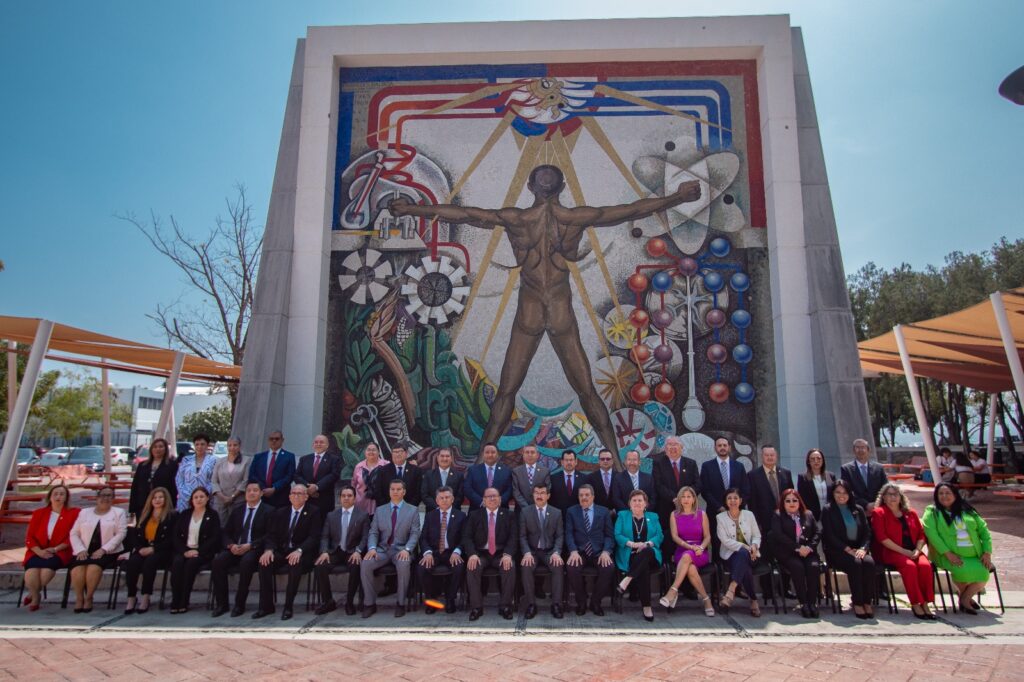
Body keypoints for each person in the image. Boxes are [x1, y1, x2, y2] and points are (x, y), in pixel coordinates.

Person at [391, 167, 702, 460]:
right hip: (559, 310)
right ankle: (617, 466)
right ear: (563, 187)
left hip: (529, 311)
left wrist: (410, 210)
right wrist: (677, 197)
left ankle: (481, 466)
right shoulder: (576, 217)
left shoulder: (515, 218)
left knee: (506, 392)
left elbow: (465, 214)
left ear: (529, 187)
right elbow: (632, 210)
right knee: (586, 390)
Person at [922, 483, 994, 615]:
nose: (944, 496)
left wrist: (987, 552)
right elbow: (932, 535)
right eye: (941, 494)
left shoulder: (967, 510)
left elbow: (984, 531)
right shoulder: (931, 512)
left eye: (948, 493)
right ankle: (966, 601)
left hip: (974, 554)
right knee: (962, 571)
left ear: (955, 495)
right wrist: (948, 554)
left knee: (984, 573)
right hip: (946, 554)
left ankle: (964, 597)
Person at [255, 484, 321, 620]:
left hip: (302, 553)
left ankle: (288, 606)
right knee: (264, 563)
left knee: (295, 564)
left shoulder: (314, 512)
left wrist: (300, 550)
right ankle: (266, 606)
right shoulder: (280, 512)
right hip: (282, 551)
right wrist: (269, 550)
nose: (296, 496)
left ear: (306, 497)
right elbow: (271, 535)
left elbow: (314, 537)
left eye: (300, 493)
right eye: (293, 493)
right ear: (289, 496)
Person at [870, 483, 935, 620]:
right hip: (892, 551)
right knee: (910, 567)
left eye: (895, 494)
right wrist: (904, 552)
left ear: (901, 497)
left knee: (925, 566)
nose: (893, 497)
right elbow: (882, 538)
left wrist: (917, 550)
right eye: (889, 494)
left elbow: (922, 534)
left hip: (914, 551)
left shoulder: (911, 513)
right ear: (883, 498)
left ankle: (926, 603)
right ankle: (916, 603)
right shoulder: (879, 513)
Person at [210, 481, 274, 617]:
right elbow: (226, 532)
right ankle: (222, 604)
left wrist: (250, 545)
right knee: (218, 562)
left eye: (255, 490)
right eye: (249, 490)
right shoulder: (238, 510)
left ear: (261, 493)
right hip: (235, 547)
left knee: (247, 562)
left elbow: (270, 535)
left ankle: (239, 604)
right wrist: (231, 545)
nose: (251, 493)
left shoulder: (269, 511)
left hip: (254, 548)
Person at [360, 479, 421, 618]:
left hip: (401, 550)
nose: (395, 492)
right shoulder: (380, 510)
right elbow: (373, 532)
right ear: (389, 491)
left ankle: (400, 603)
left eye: (399, 489)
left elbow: (415, 533)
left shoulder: (412, 510)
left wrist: (407, 549)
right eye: (392, 489)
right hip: (382, 550)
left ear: (404, 492)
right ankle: (369, 604)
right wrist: (372, 548)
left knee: (404, 564)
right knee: (366, 563)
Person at [821, 479, 875, 618]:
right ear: (832, 494)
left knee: (869, 563)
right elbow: (829, 535)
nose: (841, 495)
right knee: (855, 564)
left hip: (858, 549)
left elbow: (867, 533)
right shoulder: (828, 510)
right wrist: (846, 549)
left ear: (849, 494)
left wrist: (863, 548)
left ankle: (866, 601)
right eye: (838, 492)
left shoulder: (858, 509)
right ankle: (857, 602)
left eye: (844, 492)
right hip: (838, 551)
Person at [69, 487, 128, 612]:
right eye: (102, 495)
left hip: (108, 551)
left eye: (109, 496)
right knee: (77, 569)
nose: (105, 498)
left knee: (93, 568)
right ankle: (80, 598)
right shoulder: (84, 512)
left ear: (113, 499)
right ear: (97, 497)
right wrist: (79, 549)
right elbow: (74, 533)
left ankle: (89, 597)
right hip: (84, 550)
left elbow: (121, 534)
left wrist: (104, 549)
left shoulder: (119, 512)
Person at [462, 487, 517, 621]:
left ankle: (505, 606)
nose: (492, 499)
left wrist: (508, 554)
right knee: (472, 566)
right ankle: (476, 607)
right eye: (489, 497)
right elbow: (466, 537)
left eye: (495, 496)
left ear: (500, 499)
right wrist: (472, 554)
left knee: (509, 566)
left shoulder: (509, 515)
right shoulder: (474, 515)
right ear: (484, 500)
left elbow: (513, 537)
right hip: (481, 553)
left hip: (501, 554)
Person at [314, 485, 370, 616]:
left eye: (349, 496)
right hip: (335, 551)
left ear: (355, 498)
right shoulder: (331, 515)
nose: (346, 498)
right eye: (343, 496)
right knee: (320, 566)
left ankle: (349, 602)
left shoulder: (362, 515)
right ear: (339, 498)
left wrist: (358, 551)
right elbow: (325, 536)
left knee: (356, 566)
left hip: (352, 552)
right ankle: (328, 601)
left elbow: (365, 537)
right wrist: (324, 552)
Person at [659, 486, 714, 616]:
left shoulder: (702, 514)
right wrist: (690, 548)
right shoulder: (674, 515)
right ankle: (706, 600)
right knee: (690, 567)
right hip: (682, 550)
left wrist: (700, 547)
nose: (686, 499)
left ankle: (672, 591)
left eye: (689, 496)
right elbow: (674, 537)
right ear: (679, 499)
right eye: (683, 497)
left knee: (688, 558)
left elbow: (707, 536)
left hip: (700, 552)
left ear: (694, 499)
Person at [22, 485, 79, 611]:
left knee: (46, 570)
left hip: (61, 551)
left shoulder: (74, 513)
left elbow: (73, 535)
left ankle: (33, 595)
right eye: (55, 494)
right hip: (37, 550)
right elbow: (29, 537)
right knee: (31, 571)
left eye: (62, 494)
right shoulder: (39, 513)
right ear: (50, 497)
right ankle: (36, 595)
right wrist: (39, 551)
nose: (58, 496)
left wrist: (55, 549)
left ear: (66, 498)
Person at [748, 444, 793, 598]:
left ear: (776, 456)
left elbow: (792, 498)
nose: (769, 458)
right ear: (762, 457)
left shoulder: (785, 473)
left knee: (786, 555)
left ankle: (784, 588)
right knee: (765, 557)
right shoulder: (753, 475)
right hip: (764, 523)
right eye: (766, 455)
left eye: (772, 455)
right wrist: (756, 524)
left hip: (785, 523)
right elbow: (752, 501)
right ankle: (767, 590)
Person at [123, 487, 175, 615]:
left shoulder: (172, 516)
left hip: (161, 550)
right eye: (155, 497)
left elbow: (172, 539)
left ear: (166, 499)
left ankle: (146, 596)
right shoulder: (144, 514)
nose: (157, 500)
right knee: (132, 563)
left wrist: (153, 549)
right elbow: (134, 536)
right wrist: (140, 549)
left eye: (160, 497)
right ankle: (131, 597)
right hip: (142, 548)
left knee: (149, 563)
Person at [564, 484, 615, 616]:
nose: (584, 498)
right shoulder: (571, 511)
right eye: (581, 495)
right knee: (571, 566)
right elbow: (568, 533)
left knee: (608, 567)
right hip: (580, 552)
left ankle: (595, 602)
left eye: (587, 495)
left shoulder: (603, 511)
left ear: (593, 496)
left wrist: (606, 552)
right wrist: (573, 551)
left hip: (599, 552)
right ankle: (581, 601)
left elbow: (609, 535)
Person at [769, 489, 821, 618]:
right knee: (798, 567)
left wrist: (809, 548)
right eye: (788, 501)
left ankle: (812, 603)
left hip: (808, 552)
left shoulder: (808, 514)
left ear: (799, 501)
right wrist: (798, 548)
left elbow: (817, 532)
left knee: (813, 566)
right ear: (783, 503)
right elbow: (778, 535)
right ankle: (803, 603)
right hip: (788, 553)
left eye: (794, 500)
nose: (791, 503)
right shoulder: (778, 515)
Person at [613, 489, 663, 622]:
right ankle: (647, 607)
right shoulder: (622, 515)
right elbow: (617, 535)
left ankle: (627, 579)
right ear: (629, 503)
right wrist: (632, 544)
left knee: (646, 552)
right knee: (643, 568)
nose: (637, 503)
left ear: (645, 503)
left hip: (651, 555)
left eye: (640, 500)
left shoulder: (653, 517)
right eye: (634, 500)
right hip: (630, 555)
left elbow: (659, 536)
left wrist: (646, 544)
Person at [169, 487, 221, 614]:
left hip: (202, 553)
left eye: (202, 497)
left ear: (207, 498)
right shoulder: (185, 514)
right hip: (184, 550)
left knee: (191, 565)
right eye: (196, 497)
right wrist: (184, 551)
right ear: (192, 500)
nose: (199, 499)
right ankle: (175, 600)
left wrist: (198, 551)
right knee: (177, 563)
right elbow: (175, 536)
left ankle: (184, 601)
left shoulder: (212, 515)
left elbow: (215, 537)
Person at [417, 486, 467, 614]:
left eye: (447, 497)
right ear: (437, 500)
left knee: (459, 566)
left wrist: (457, 551)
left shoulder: (461, 516)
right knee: (422, 567)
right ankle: (431, 601)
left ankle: (450, 599)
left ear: (452, 499)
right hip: (434, 552)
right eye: (441, 498)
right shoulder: (430, 516)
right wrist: (427, 553)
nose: (444, 500)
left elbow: (464, 538)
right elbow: (423, 538)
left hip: (451, 552)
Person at [518, 483, 565, 619]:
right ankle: (531, 604)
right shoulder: (525, 512)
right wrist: (526, 552)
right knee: (526, 566)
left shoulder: (556, 513)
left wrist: (556, 552)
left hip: (549, 551)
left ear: (548, 496)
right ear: (533, 495)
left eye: (542, 493)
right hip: (532, 551)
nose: (539, 496)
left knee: (558, 565)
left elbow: (560, 535)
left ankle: (556, 604)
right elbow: (522, 536)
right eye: (537, 493)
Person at [716, 487, 762, 617]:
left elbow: (757, 535)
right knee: (743, 559)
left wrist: (754, 546)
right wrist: (746, 547)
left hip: (753, 554)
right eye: (729, 498)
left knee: (744, 559)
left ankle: (731, 590)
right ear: (725, 501)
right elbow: (725, 541)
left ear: (741, 500)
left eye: (735, 498)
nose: (733, 501)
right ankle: (753, 600)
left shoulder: (749, 515)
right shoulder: (720, 518)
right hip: (730, 555)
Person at [652, 438, 700, 561]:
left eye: (676, 444)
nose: (672, 447)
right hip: (666, 510)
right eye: (669, 445)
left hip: (688, 511)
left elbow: (697, 484)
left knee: (686, 539)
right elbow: (658, 485)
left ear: (681, 447)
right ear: (665, 449)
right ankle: (668, 570)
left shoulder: (691, 463)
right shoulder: (658, 463)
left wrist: (686, 498)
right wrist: (675, 499)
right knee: (667, 542)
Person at [294, 434, 342, 520]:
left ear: (327, 445)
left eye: (321, 442)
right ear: (313, 445)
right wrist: (308, 487)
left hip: (324, 500)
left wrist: (316, 487)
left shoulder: (334, 459)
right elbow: (297, 475)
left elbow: (334, 475)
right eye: (316, 442)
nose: (318, 444)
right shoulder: (304, 459)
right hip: (306, 499)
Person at [699, 437, 749, 517]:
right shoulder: (707, 466)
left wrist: (737, 505)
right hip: (715, 512)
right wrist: (719, 507)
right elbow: (705, 491)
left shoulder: (739, 466)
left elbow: (745, 489)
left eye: (725, 445)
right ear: (715, 448)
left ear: (729, 447)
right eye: (719, 445)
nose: (722, 447)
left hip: (737, 511)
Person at [129, 438, 178, 517]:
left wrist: (173, 505)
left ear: (166, 449)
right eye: (155, 447)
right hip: (143, 503)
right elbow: (135, 486)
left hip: (163, 504)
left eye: (160, 446)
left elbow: (174, 486)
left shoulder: (172, 465)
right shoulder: (142, 465)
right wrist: (133, 507)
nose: (157, 449)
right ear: (151, 449)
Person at [247, 431, 297, 509]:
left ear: (282, 440)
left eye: (277, 439)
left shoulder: (289, 456)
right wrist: (262, 488)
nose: (274, 441)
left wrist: (274, 488)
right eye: (271, 439)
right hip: (261, 496)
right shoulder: (258, 457)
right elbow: (252, 475)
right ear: (268, 440)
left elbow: (289, 476)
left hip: (280, 497)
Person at [840, 438, 888, 512]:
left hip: (878, 508)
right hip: (857, 509)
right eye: (857, 447)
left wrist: (876, 503)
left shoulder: (879, 468)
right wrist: (866, 505)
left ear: (868, 450)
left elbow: (885, 488)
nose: (860, 450)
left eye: (863, 447)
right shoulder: (846, 469)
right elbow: (847, 491)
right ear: (853, 450)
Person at [465, 442, 512, 512]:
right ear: (483, 454)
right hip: (477, 510)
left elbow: (510, 489)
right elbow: (467, 488)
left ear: (497, 455)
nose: (490, 455)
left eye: (493, 452)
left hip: (501, 510)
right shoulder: (473, 470)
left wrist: (499, 501)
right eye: (487, 452)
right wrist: (481, 502)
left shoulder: (506, 471)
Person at [375, 443, 424, 509]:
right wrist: (387, 508)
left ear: (406, 453)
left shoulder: (416, 471)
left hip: (409, 510)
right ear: (392, 454)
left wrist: (409, 508)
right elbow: (378, 492)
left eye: (400, 451)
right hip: (387, 509)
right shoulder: (383, 471)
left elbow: (418, 493)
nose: (398, 454)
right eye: (395, 452)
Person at [210, 437, 249, 520]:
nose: (232, 448)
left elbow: (245, 481)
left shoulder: (247, 461)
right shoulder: (219, 461)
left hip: (238, 500)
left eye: (235, 445)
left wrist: (232, 496)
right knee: (220, 527)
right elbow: (214, 481)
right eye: (229, 445)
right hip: (220, 500)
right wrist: (222, 497)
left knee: (235, 527)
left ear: (239, 446)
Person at [421, 447, 465, 513]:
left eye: (447, 456)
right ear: (437, 458)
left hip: (453, 512)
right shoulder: (428, 475)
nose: (445, 459)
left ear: (451, 459)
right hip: (433, 512)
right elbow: (424, 494)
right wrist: (438, 507)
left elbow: (460, 495)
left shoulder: (459, 475)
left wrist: (449, 508)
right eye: (442, 456)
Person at [797, 448, 836, 521]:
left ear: (823, 460)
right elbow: (802, 499)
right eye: (813, 459)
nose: (816, 461)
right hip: (813, 516)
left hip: (830, 514)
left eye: (819, 458)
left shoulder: (831, 476)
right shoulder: (803, 477)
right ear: (808, 461)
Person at [352, 442, 385, 515]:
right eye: (368, 450)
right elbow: (354, 484)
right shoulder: (359, 466)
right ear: (365, 452)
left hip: (381, 506)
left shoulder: (385, 465)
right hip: (361, 506)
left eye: (374, 450)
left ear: (378, 452)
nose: (371, 452)